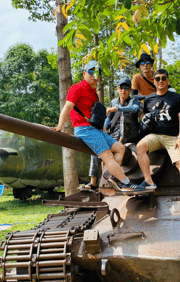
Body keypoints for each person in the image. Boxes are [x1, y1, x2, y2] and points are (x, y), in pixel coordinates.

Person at [54, 60, 141, 192]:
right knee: (107, 156)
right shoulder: (76, 88)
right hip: (85, 129)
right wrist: (59, 126)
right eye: (91, 71)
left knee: (120, 148)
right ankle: (126, 183)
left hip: (97, 130)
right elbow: (67, 107)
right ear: (84, 73)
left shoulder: (93, 92)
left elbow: (96, 116)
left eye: (97, 72)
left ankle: (114, 177)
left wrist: (104, 131)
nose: (94, 75)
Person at [136, 69, 180, 196]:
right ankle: (149, 181)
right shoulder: (148, 99)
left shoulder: (176, 98)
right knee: (140, 147)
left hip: (172, 137)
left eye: (163, 78)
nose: (161, 81)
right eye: (158, 79)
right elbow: (144, 117)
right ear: (154, 82)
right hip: (155, 135)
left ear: (168, 80)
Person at [80, 78, 140, 190]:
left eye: (127, 88)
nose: (124, 90)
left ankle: (114, 176)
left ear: (130, 89)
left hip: (128, 134)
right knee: (96, 145)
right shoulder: (113, 102)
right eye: (121, 87)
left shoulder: (133, 100)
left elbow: (135, 109)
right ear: (118, 89)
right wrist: (101, 131)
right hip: (113, 134)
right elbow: (108, 120)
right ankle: (93, 182)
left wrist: (118, 108)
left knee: (125, 115)